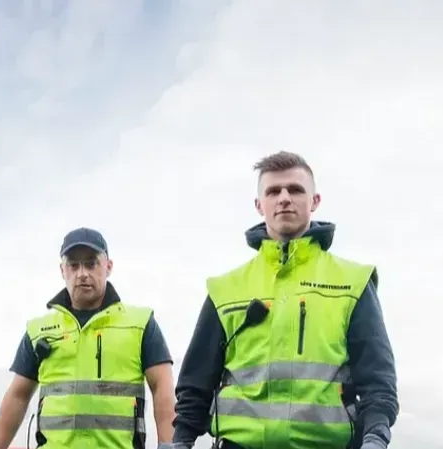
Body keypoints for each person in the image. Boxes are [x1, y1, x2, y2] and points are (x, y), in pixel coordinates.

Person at [169, 152, 399, 449]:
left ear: (315, 201)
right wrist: (180, 442)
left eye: (295, 189)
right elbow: (195, 384)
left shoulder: (353, 282)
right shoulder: (225, 290)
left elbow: (378, 382)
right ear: (259, 205)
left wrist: (376, 439)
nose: (284, 198)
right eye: (273, 191)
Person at [0, 228, 177, 449]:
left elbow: (162, 389)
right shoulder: (38, 330)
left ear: (108, 267)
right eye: (73, 265)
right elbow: (18, 396)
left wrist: (169, 447)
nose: (82, 273)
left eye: (91, 263)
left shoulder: (141, 324)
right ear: (62, 270)